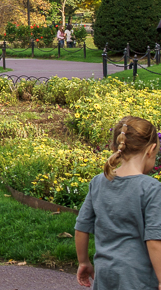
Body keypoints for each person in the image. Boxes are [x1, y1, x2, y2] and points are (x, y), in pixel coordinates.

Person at [75, 115, 161, 289]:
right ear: (151, 150)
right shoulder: (151, 188)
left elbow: (82, 226)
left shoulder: (98, 182)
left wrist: (83, 262)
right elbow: (153, 240)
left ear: (115, 146)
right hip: (138, 279)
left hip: (105, 274)